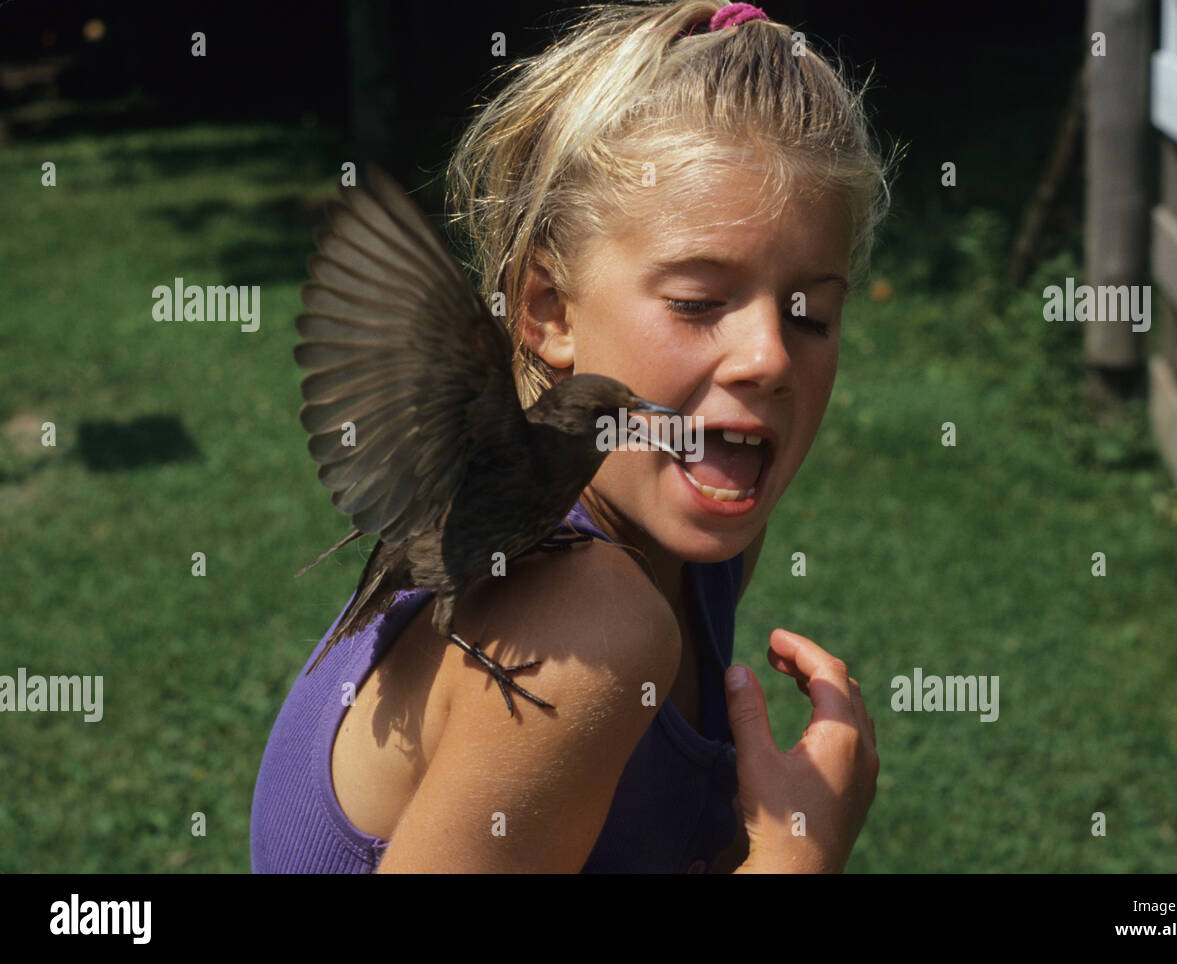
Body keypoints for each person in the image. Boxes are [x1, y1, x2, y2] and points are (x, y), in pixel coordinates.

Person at [251, 0, 889, 874]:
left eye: (809, 312)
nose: (769, 356)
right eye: (699, 302)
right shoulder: (586, 635)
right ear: (546, 311)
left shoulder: (697, 542)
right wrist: (793, 860)